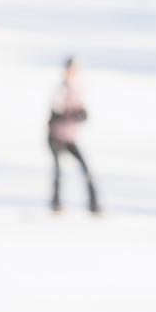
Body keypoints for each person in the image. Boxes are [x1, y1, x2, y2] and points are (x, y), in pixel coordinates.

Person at [47, 58, 100, 214]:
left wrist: (81, 114)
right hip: (56, 137)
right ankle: (56, 205)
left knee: (86, 169)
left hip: (69, 138)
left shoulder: (76, 89)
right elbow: (55, 112)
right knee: (58, 170)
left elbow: (81, 112)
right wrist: (68, 114)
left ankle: (94, 205)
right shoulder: (60, 89)